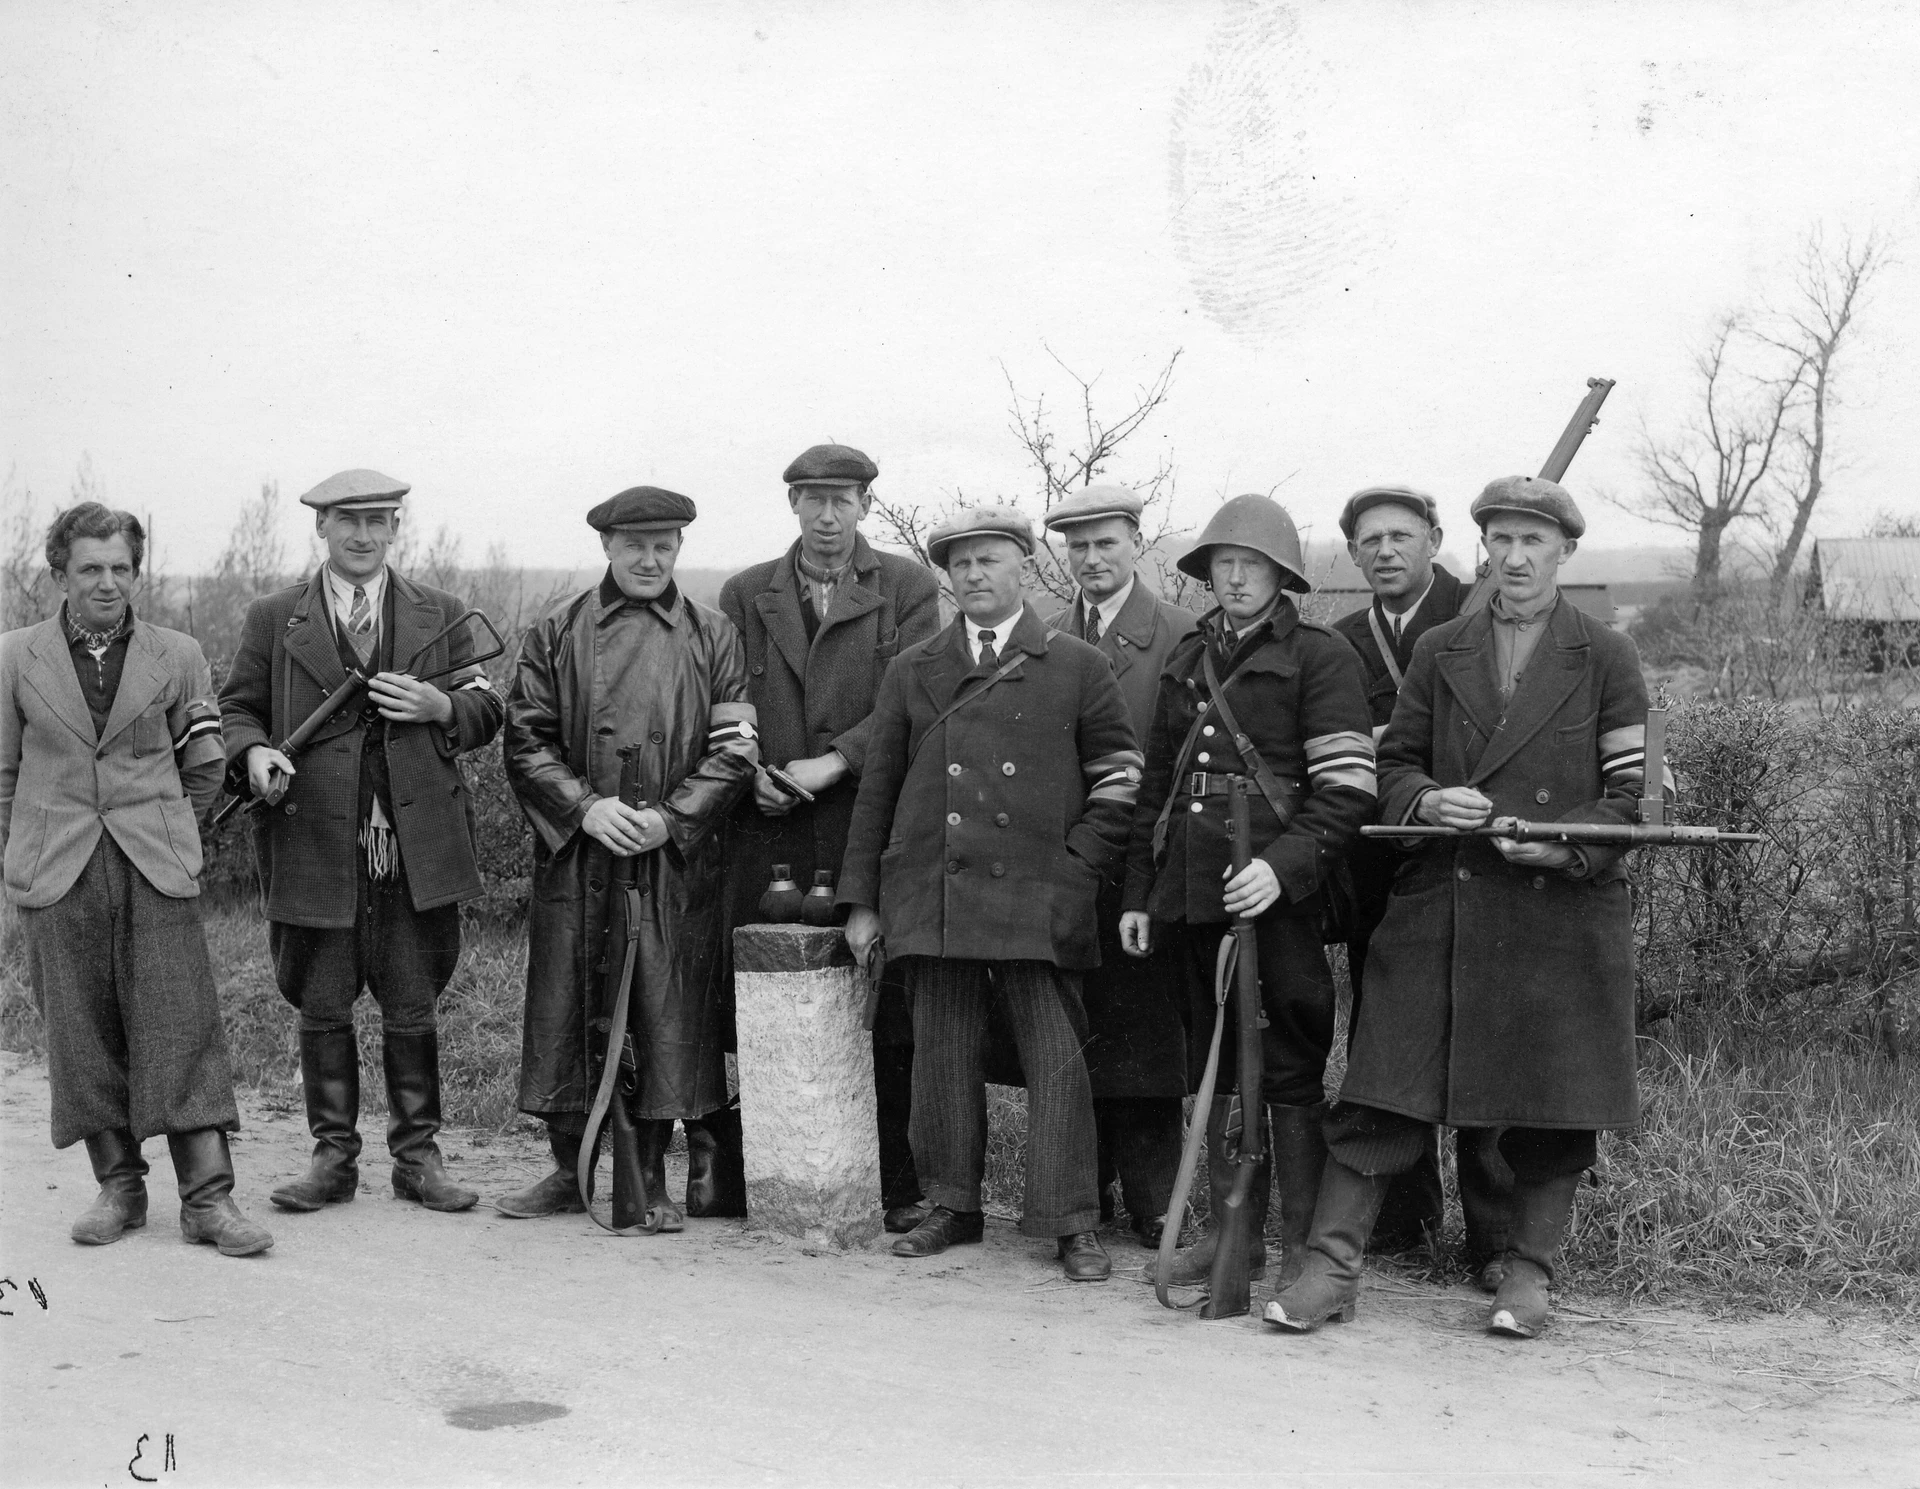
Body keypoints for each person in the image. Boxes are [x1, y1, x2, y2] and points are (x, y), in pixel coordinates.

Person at [1266, 476, 1655, 1340]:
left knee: (1548, 1105)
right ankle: (1331, 1267)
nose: (1514, 558)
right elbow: (1392, 764)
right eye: (1501, 540)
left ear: (1565, 552)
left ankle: (1527, 1272)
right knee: (1381, 1088)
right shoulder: (1443, 648)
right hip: (1443, 899)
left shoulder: (1607, 654)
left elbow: (1636, 795)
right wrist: (1428, 800)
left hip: (1559, 910)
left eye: (1533, 542)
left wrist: (1563, 843)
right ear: (1482, 547)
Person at [838, 505, 1141, 1281]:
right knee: (941, 1049)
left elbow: (1119, 781)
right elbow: (878, 792)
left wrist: (1076, 868)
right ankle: (951, 1203)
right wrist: (864, 900)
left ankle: (1071, 1220)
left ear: (1023, 567)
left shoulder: (1076, 664)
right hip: (935, 890)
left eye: (990, 559)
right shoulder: (913, 667)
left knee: (1056, 1056)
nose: (974, 574)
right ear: (947, 576)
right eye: (960, 563)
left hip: (1040, 895)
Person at [220, 469, 503, 1217]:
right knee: (321, 995)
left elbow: (486, 709)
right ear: (322, 527)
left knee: (412, 994)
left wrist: (441, 705)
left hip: (415, 843)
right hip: (313, 835)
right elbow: (237, 709)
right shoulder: (273, 618)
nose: (363, 535)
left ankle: (418, 1158)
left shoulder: (441, 612)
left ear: (396, 528)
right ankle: (333, 1158)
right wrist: (254, 752)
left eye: (379, 520)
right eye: (348, 520)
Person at [1119, 495, 1375, 1290]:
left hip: (1280, 900)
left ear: (1281, 575)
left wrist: (1281, 869)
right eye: (1223, 563)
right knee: (1215, 1063)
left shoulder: (1322, 657)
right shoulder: (1189, 654)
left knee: (1290, 1066)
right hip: (1194, 892)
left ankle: (1300, 1245)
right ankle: (1233, 1235)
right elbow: (1157, 788)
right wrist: (1140, 893)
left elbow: (1346, 789)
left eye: (1252, 565)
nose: (1235, 577)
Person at [3, 503, 271, 1256]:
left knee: (181, 1021)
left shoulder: (177, 654)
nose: (107, 582)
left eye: (121, 568)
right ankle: (120, 1188)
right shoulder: (14, 656)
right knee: (81, 1031)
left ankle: (209, 1200)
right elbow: (3, 776)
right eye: (90, 568)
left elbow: (206, 764)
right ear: (59, 574)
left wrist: (169, 830)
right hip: (58, 867)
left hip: (154, 862)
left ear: (136, 574)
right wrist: (30, 846)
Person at [494, 486, 758, 1226]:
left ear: (680, 548)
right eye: (634, 545)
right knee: (570, 1007)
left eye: (663, 546)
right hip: (581, 856)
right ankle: (568, 1167)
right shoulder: (556, 630)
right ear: (606, 546)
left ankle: (650, 1179)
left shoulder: (715, 634)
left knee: (665, 1013)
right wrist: (585, 807)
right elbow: (525, 738)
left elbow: (737, 748)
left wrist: (673, 820)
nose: (649, 559)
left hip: (674, 861)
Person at [718, 443, 941, 1230]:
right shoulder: (746, 593)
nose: (826, 515)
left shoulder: (908, 587)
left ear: (866, 505)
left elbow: (915, 700)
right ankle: (769, 1172)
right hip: (769, 831)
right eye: (812, 498)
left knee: (884, 1004)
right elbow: (726, 698)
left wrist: (836, 760)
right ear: (793, 504)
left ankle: (899, 1183)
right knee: (769, 997)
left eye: (842, 499)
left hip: (866, 823)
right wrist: (751, 772)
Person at [1039, 486, 1195, 1249]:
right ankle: (1084, 1188)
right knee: (1074, 1027)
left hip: (1143, 862)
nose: (1092, 559)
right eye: (1078, 546)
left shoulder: (1178, 633)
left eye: (1106, 542)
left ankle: (1155, 1197)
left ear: (1137, 541)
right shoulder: (1045, 633)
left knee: (1145, 1031)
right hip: (1068, 860)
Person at [1328, 486, 1465, 1256]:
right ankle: (1405, 1217)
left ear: (1434, 540)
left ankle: (1494, 1234)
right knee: (1383, 1032)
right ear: (1353, 554)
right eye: (1369, 540)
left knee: (1481, 1028)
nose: (1385, 551)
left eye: (1401, 536)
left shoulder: (1477, 613)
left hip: (1469, 851)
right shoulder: (1344, 640)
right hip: (1382, 859)